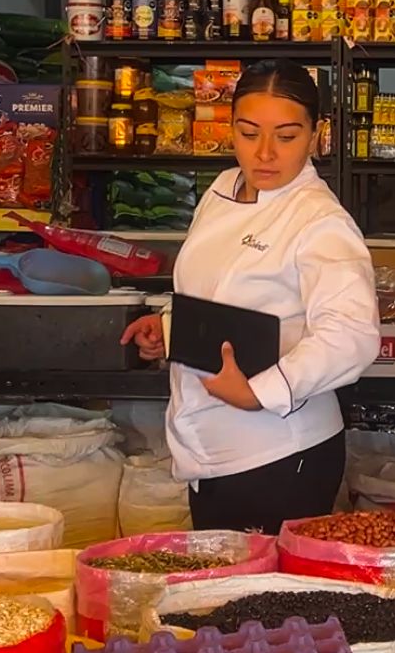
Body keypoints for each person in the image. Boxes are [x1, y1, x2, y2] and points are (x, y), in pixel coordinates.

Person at [121, 59, 380, 534]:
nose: (264, 153)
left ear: (316, 134)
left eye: (287, 136)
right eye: (248, 133)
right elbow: (215, 289)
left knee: (265, 582)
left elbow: (352, 335)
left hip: (279, 455)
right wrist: (171, 326)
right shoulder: (224, 188)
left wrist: (262, 391)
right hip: (206, 451)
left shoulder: (320, 221)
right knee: (222, 577)